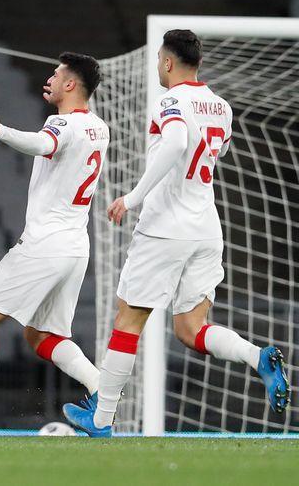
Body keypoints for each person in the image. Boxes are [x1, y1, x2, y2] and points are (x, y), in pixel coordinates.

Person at [65, 30, 290, 437]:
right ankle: (258, 358)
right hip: (206, 228)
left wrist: (132, 198)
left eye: (158, 61)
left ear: (167, 62)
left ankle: (100, 420)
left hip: (166, 227)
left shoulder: (170, 101)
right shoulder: (221, 106)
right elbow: (216, 152)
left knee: (128, 317)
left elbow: (175, 143)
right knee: (190, 328)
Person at [0, 53, 109, 434]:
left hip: (45, 243)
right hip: (75, 246)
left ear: (71, 84)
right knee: (42, 335)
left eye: (57, 75)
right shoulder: (99, 127)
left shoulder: (62, 123)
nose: (50, 79)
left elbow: (42, 144)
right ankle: (103, 390)